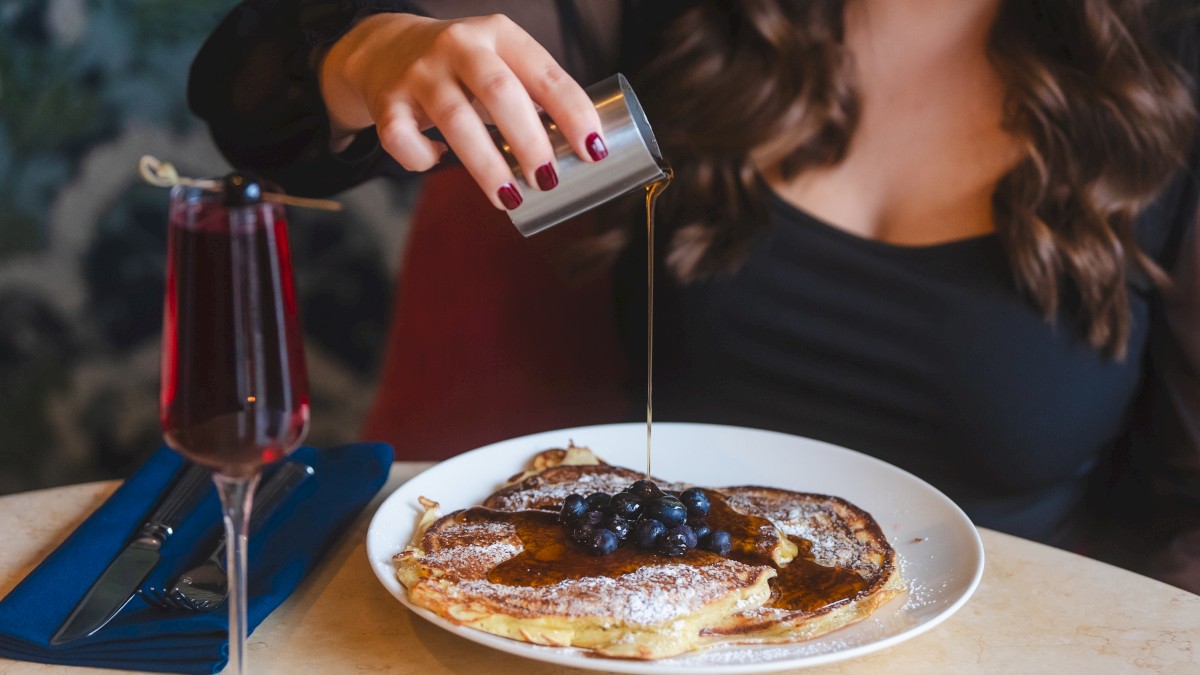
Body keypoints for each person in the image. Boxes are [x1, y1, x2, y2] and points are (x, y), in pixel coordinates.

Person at [188, 0, 1200, 591]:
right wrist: (371, 54)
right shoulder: (682, 17)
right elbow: (249, 91)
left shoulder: (1173, 71)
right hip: (662, 621)